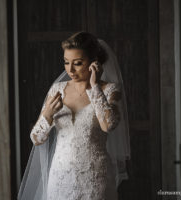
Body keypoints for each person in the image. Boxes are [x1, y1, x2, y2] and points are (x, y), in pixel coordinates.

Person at [18, 31, 130, 200]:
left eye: (77, 63)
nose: (70, 69)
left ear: (94, 62)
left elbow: (108, 125)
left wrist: (94, 87)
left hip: (94, 176)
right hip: (60, 175)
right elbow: (36, 139)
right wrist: (47, 114)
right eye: (66, 62)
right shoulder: (57, 90)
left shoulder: (109, 90)